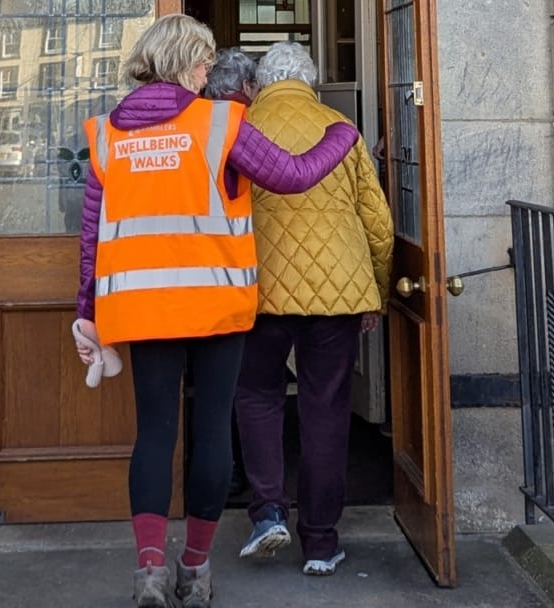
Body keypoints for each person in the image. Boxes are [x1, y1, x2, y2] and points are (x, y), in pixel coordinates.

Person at [73, 15, 362, 608]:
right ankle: (196, 569)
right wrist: (343, 133)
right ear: (183, 62)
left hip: (142, 307)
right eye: (203, 59)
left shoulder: (105, 134)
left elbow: (90, 236)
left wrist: (87, 312)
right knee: (210, 432)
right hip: (214, 303)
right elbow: (293, 175)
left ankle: (150, 570)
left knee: (155, 432)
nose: (209, 70)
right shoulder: (220, 123)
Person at [233, 41, 394, 576]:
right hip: (337, 292)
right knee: (325, 409)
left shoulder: (239, 127)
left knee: (257, 397)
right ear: (311, 81)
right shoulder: (339, 128)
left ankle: (268, 513)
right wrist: (376, 292)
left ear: (260, 83)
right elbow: (377, 222)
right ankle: (321, 543)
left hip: (256, 289)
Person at [202, 47, 259, 500]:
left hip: (191, 279)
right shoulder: (241, 126)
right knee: (244, 386)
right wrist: (343, 135)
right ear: (246, 88)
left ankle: (228, 473)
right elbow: (287, 176)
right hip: (240, 279)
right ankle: (238, 473)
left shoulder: (195, 126)